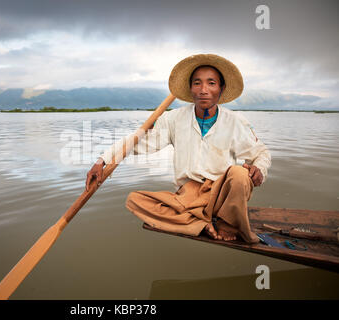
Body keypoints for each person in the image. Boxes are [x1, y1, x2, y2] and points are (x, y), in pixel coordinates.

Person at [85, 54, 271, 243]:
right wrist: (103, 160)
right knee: (134, 200)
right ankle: (200, 224)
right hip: (188, 197)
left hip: (222, 196)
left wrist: (259, 170)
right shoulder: (173, 119)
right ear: (191, 89)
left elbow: (261, 153)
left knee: (240, 174)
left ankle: (226, 223)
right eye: (197, 83)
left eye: (211, 83)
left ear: (221, 89)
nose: (203, 90)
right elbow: (136, 142)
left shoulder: (235, 121)